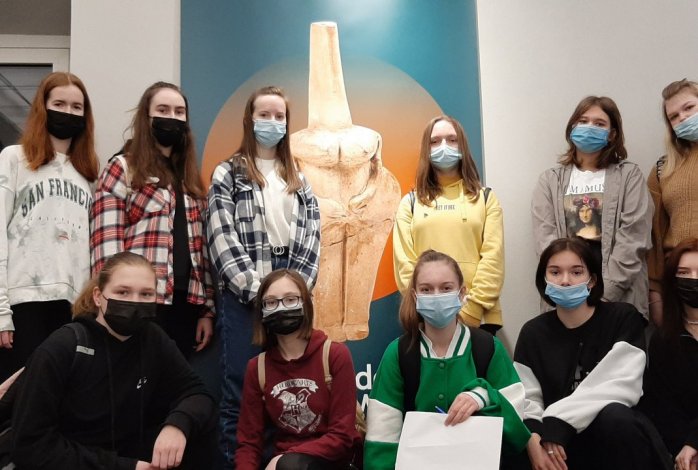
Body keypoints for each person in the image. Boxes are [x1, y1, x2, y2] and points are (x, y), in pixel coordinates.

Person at [10, 251, 216, 469]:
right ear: (98, 296)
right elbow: (30, 446)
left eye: (146, 294)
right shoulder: (63, 347)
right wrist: (127, 467)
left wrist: (178, 425)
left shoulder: (153, 338)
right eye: (123, 292)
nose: (135, 302)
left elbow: (197, 393)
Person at [207, 85, 321, 466]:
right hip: (245, 296)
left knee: (285, 388)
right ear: (249, 119)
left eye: (279, 116)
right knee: (241, 390)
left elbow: (312, 235)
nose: (272, 122)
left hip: (291, 294)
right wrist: (264, 296)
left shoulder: (299, 177)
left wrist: (293, 294)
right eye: (264, 115)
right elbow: (221, 237)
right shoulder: (228, 173)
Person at [365, 250, 531, 469]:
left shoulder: (488, 348)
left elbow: (516, 423)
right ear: (415, 296)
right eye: (426, 289)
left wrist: (483, 396)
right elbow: (382, 438)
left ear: (462, 293)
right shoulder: (398, 353)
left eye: (446, 288)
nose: (436, 296)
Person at [513, 237, 669, 470]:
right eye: (555, 272)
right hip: (560, 447)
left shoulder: (622, 318)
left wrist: (559, 420)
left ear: (592, 280)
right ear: (544, 280)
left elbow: (621, 384)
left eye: (576, 272)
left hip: (616, 441)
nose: (565, 281)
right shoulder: (532, 332)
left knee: (615, 416)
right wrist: (535, 439)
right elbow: (527, 397)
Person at [91, 81, 215, 358]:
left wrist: (206, 310)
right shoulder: (122, 168)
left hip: (186, 304)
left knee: (172, 381)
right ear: (146, 118)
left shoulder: (191, 180)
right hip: (139, 302)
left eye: (179, 112)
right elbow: (105, 244)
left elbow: (202, 253)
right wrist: (111, 303)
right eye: (162, 110)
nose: (171, 117)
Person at [0, 71, 99, 381]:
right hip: (23, 301)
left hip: (73, 307)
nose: (68, 112)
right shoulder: (15, 159)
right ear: (43, 108)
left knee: (62, 395)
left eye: (76, 107)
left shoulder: (89, 174)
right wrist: (2, 312)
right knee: (17, 395)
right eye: (59, 104)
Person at [531, 96, 652, 320]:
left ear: (612, 134)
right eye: (583, 121)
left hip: (620, 294)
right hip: (566, 294)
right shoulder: (550, 180)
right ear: (572, 127)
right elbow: (545, 240)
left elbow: (634, 237)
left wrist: (605, 295)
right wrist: (569, 288)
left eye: (599, 123)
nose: (589, 127)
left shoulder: (629, 176)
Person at [235, 269, 358, 470]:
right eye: (271, 302)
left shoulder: (335, 355)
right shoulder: (257, 368)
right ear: (262, 312)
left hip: (332, 463)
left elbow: (342, 436)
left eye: (291, 299)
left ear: (306, 304)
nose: (281, 308)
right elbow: (249, 443)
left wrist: (284, 459)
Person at [393, 115, 504, 334]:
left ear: (463, 145)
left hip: (479, 318)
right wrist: (427, 311)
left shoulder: (485, 198)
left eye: (452, 140)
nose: (444, 146)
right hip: (426, 317)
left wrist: (471, 310)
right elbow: (404, 266)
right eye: (435, 141)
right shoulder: (410, 203)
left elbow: (494, 258)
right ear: (426, 149)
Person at [641, 238, 698, 470]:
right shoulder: (663, 341)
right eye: (684, 272)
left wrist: (694, 442)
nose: (693, 279)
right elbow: (664, 408)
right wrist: (685, 449)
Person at [648, 79, 698, 326]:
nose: (683, 118)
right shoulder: (662, 169)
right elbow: (654, 236)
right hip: (681, 285)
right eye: (674, 117)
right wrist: (656, 293)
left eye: (689, 108)